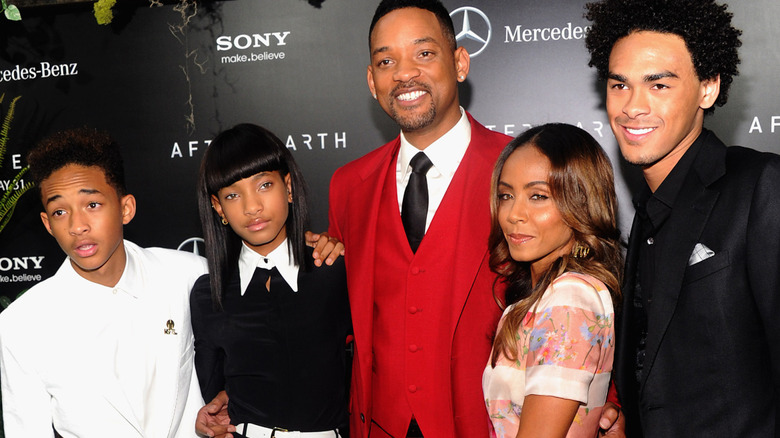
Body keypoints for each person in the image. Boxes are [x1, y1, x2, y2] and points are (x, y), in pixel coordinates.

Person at [585, 0, 780, 436]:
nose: (632, 107)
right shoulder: (644, 216)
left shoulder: (760, 186)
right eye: (620, 86)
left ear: (707, 89)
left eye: (659, 86)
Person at [327, 1, 512, 437]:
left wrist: (606, 401)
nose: (404, 73)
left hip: (490, 423)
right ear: (372, 82)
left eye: (424, 54)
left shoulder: (521, 165)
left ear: (460, 63)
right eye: (386, 61)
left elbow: (571, 296)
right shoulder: (348, 185)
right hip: (378, 423)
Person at [0, 128, 207, 437]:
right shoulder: (20, 324)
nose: (77, 226)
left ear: (125, 208)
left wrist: (304, 251)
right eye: (59, 211)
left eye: (92, 205)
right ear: (47, 224)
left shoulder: (187, 274)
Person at [190, 123, 351, 438]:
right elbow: (211, 396)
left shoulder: (333, 269)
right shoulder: (209, 295)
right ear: (218, 207)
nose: (252, 207)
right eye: (233, 194)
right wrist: (211, 418)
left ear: (288, 187)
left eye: (264, 185)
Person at [483, 124, 623, 438]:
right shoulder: (550, 295)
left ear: (580, 203)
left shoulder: (569, 298)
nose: (514, 214)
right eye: (506, 195)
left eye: (538, 196)